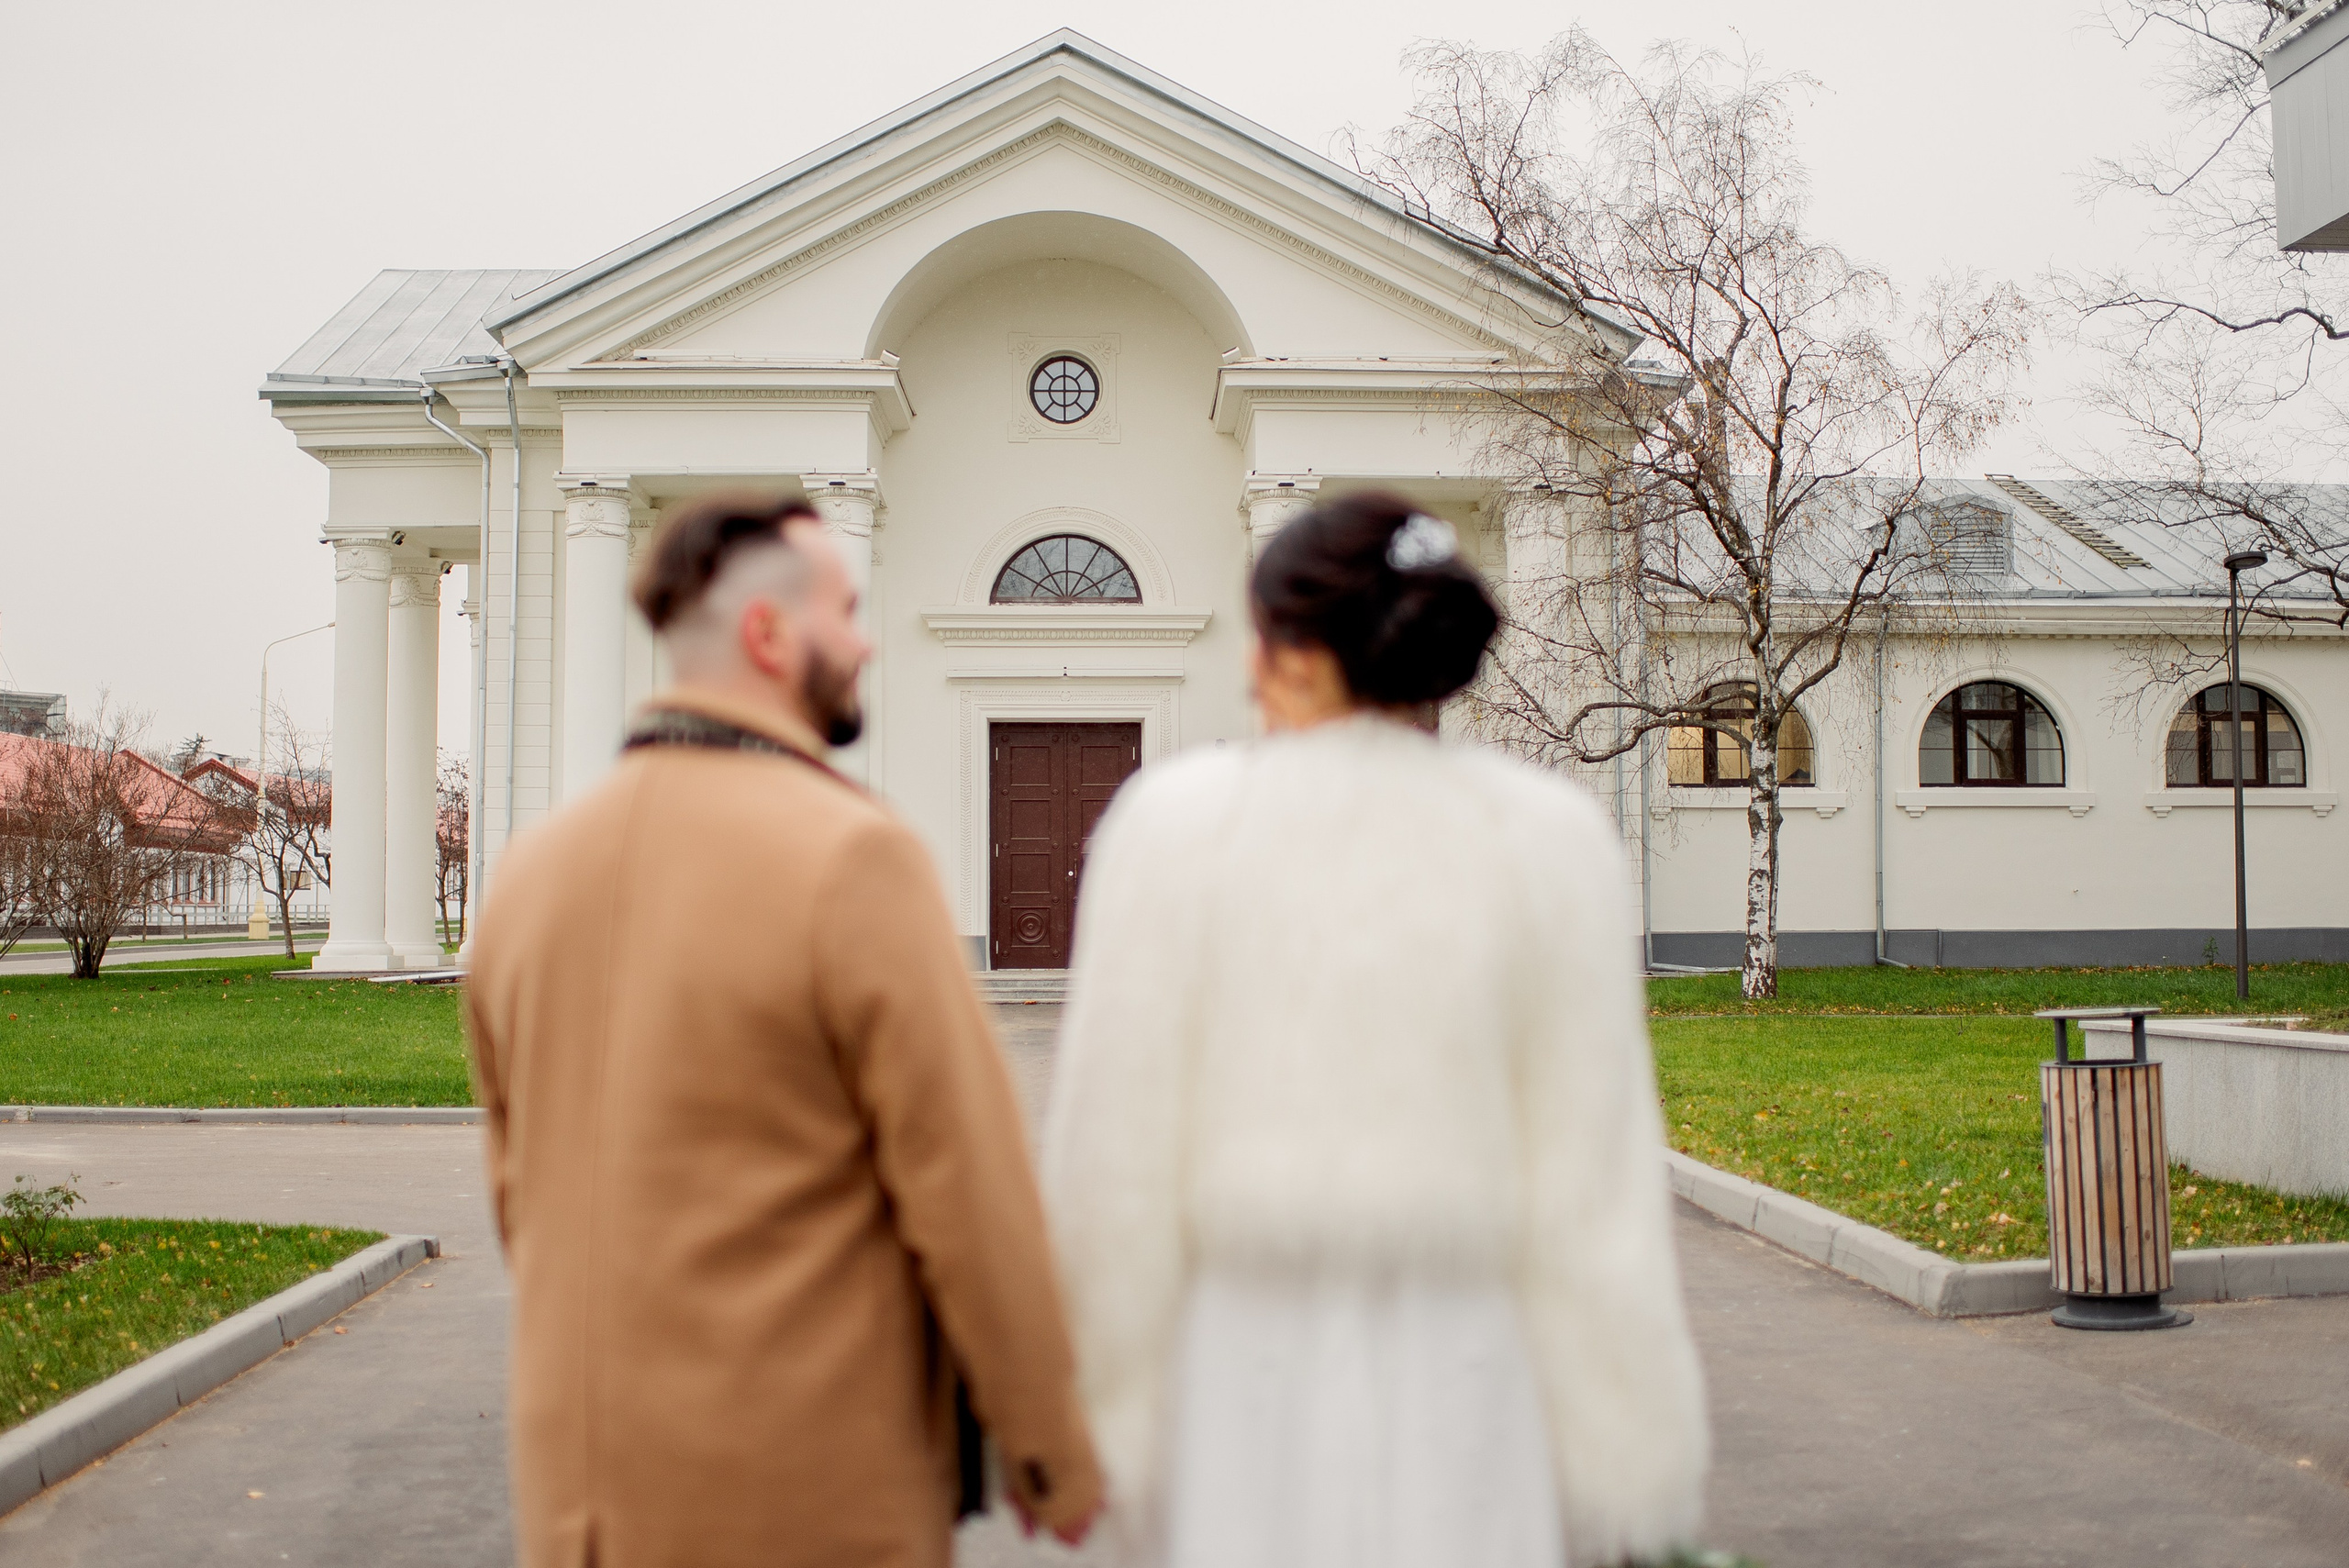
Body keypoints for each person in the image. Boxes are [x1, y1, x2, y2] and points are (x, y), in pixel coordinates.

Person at [1042, 492, 1709, 1568]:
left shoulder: (1174, 824)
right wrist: (1626, 1452)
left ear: (1298, 655)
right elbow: (1595, 1185)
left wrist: (1101, 1413)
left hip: (1238, 1367)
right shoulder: (1550, 836)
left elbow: (1112, 1169)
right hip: (1472, 1367)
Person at [465, 492, 1101, 1568]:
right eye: (844, 612)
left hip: (581, 1488)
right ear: (768, 634)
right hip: (797, 1479)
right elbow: (967, 1193)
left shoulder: (529, 874)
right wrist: (1046, 1441)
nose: (866, 643)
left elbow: (518, 1192)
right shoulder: (852, 856)